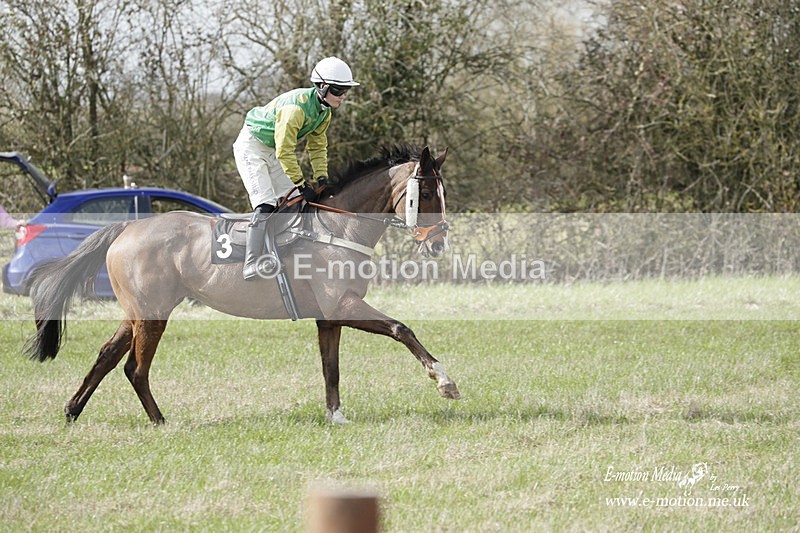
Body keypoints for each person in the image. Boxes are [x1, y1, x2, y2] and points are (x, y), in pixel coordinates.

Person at [233, 56, 360, 280]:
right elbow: (285, 151)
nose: (342, 97)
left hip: (272, 150)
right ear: (322, 87)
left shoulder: (324, 112)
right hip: (251, 147)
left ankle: (283, 253)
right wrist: (302, 184)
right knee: (266, 203)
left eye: (345, 91)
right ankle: (251, 263)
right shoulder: (296, 110)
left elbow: (318, 147)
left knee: (292, 201)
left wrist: (321, 177)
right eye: (339, 91)